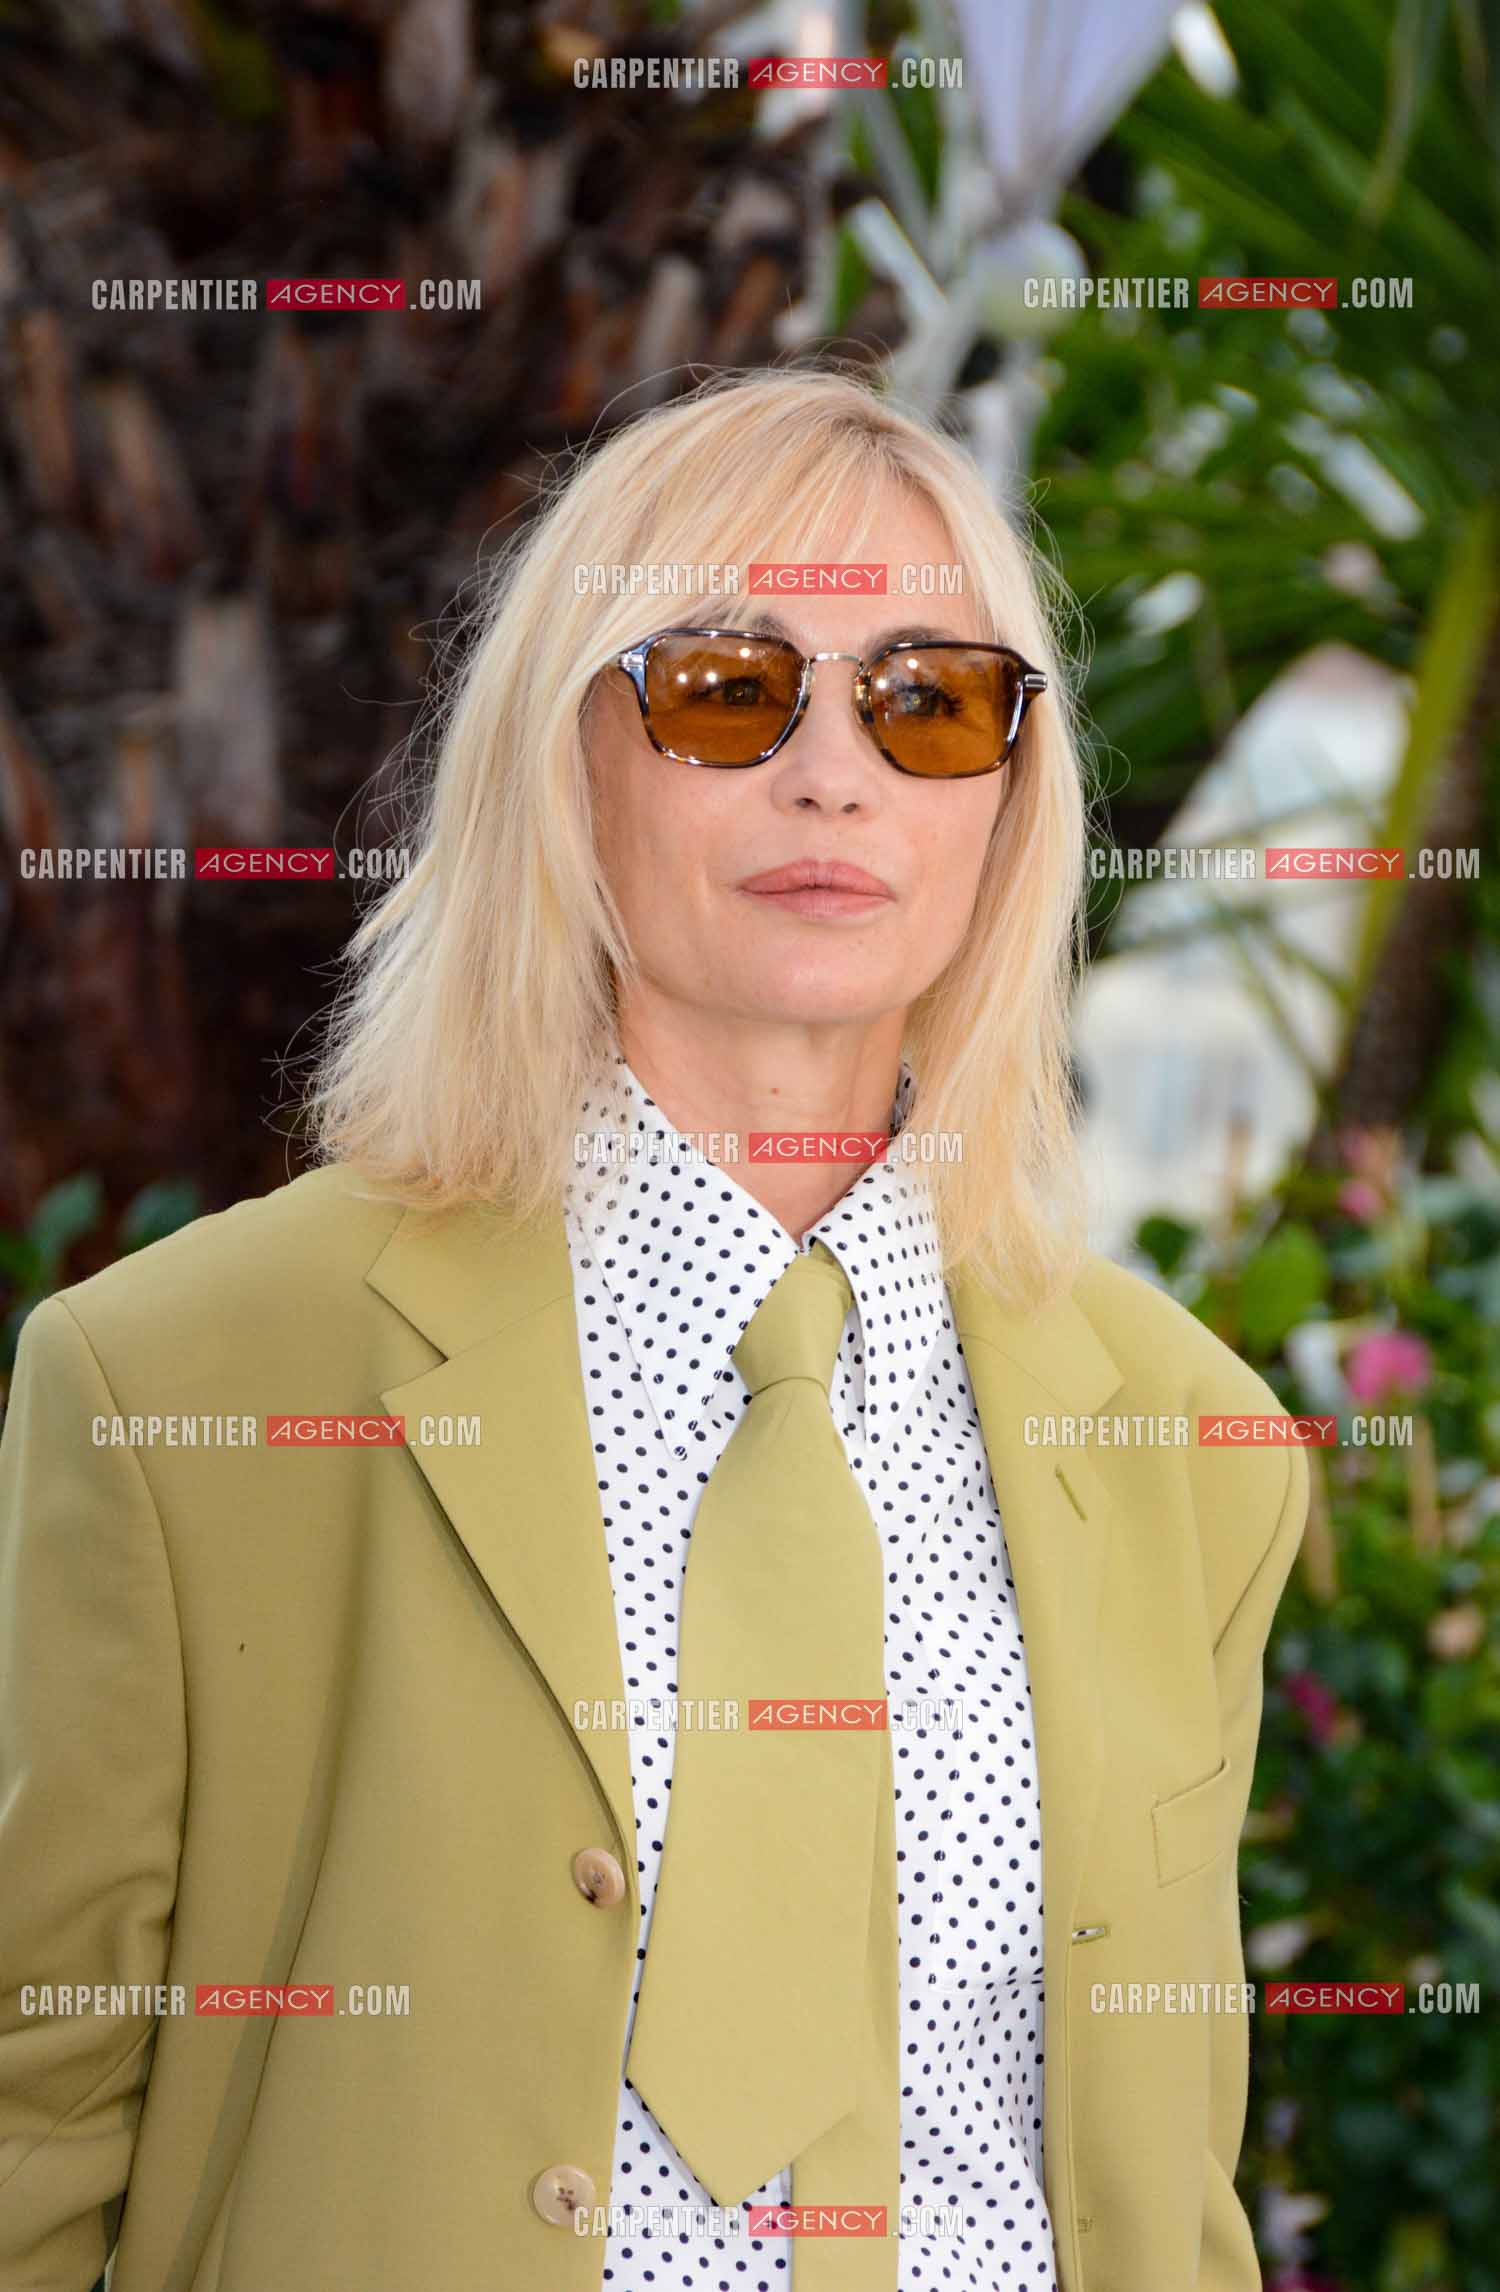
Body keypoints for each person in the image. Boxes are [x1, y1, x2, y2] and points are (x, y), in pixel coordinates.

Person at [0, 366, 1307, 2292]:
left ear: (1014, 801)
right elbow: (34, 2137)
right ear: (568, 756)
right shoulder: (187, 1382)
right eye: (724, 686)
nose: (834, 775)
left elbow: (1164, 2174)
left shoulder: (1193, 1442)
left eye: (930, 699)